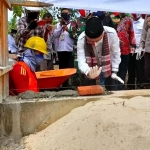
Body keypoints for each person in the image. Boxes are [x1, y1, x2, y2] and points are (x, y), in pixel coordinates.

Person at [77, 17, 123, 91]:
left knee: (112, 90)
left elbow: (116, 53)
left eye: (97, 41)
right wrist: (88, 72)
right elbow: (81, 60)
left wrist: (114, 71)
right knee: (88, 91)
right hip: (90, 67)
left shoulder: (111, 33)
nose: (94, 44)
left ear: (103, 33)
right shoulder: (81, 39)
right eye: (91, 41)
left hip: (108, 66)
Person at [53, 8, 75, 87]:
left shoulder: (73, 24)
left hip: (69, 49)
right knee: (62, 68)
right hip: (61, 50)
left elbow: (75, 36)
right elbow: (55, 35)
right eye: (63, 14)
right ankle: (63, 84)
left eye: (67, 13)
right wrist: (61, 26)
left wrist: (68, 30)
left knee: (69, 67)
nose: (65, 15)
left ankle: (69, 84)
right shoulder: (59, 25)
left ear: (70, 14)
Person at [115, 13, 136, 90]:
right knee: (115, 68)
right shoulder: (111, 17)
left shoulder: (129, 19)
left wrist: (133, 45)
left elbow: (132, 32)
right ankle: (114, 86)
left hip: (125, 49)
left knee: (123, 68)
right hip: (114, 49)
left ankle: (121, 85)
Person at [127, 14, 145, 90]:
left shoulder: (143, 22)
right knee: (130, 68)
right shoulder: (129, 22)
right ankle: (130, 85)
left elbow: (145, 36)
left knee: (140, 68)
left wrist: (143, 48)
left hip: (140, 49)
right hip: (130, 49)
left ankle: (140, 85)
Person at [139, 14, 150, 88]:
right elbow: (144, 32)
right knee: (147, 69)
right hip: (148, 48)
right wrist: (141, 47)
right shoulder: (147, 15)